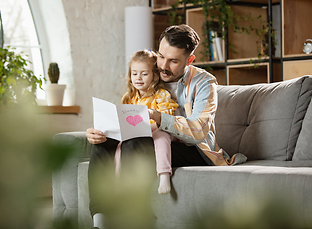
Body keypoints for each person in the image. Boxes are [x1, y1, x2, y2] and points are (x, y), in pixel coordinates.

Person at [86, 24, 247, 229]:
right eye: (161, 56)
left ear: (189, 60)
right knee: (103, 143)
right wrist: (102, 130)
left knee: (134, 144)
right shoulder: (149, 75)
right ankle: (99, 221)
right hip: (152, 139)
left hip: (193, 149)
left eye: (173, 61)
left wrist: (157, 117)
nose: (163, 65)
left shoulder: (204, 82)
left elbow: (199, 130)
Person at [114, 49, 178, 195]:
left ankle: (164, 174)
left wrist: (149, 127)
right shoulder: (129, 97)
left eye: (144, 74)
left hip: (162, 131)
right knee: (120, 144)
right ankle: (117, 181)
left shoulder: (161, 94)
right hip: (139, 135)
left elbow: (166, 117)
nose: (139, 78)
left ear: (154, 75)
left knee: (160, 136)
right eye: (134, 73)